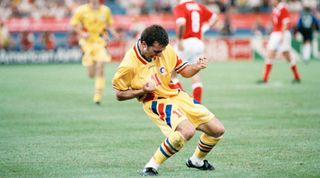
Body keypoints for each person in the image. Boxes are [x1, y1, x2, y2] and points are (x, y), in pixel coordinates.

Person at [112, 25, 225, 176]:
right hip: (155, 101)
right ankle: (151, 166)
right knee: (187, 131)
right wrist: (142, 91)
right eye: (156, 51)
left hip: (176, 94)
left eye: (162, 50)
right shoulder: (129, 64)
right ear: (144, 44)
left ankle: (196, 161)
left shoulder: (166, 50)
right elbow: (119, 94)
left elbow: (184, 71)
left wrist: (196, 67)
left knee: (217, 130)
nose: (160, 54)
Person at [70, 0, 118, 105]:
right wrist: (81, 33)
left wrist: (114, 34)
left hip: (100, 42)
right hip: (87, 44)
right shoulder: (81, 10)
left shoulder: (105, 10)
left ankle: (98, 96)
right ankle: (92, 72)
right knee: (91, 74)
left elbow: (109, 25)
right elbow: (74, 24)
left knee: (100, 66)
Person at [173, 0, 218, 103]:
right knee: (195, 74)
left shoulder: (180, 7)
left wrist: (179, 40)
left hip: (185, 42)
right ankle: (197, 104)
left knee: (171, 73)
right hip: (198, 42)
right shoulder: (199, 6)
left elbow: (181, 23)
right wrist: (204, 28)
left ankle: (182, 99)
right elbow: (214, 17)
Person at [258, 0, 301, 83]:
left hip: (281, 33)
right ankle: (265, 78)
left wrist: (282, 34)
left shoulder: (283, 8)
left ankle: (297, 77)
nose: (270, 1)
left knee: (286, 55)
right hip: (275, 33)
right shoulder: (275, 8)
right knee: (270, 53)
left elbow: (286, 22)